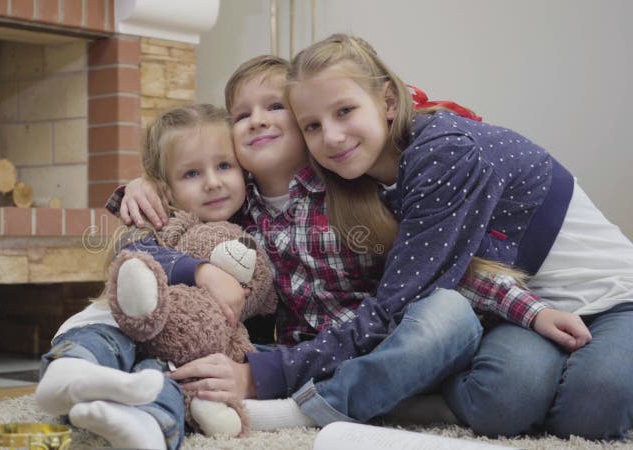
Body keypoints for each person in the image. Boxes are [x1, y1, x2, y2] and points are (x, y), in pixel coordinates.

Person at [111, 55, 589, 431]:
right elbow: (146, 245)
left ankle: (321, 410)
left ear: (307, 127)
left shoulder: (355, 192)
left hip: (392, 344)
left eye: (275, 107)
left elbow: (448, 271)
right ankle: (398, 403)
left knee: (450, 315)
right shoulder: (237, 206)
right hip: (312, 360)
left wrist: (529, 310)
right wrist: (146, 185)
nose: (257, 120)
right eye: (242, 115)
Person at [280, 33, 633, 440]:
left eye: (344, 111)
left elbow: (396, 302)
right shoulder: (374, 188)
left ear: (389, 102)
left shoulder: (443, 151)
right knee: (502, 402)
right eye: (312, 126)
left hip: (616, 296)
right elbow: (460, 275)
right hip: (522, 311)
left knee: (593, 411)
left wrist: (278, 372)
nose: (332, 136)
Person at [35, 104, 254, 450]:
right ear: (164, 189)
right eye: (192, 174)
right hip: (111, 329)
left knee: (169, 379)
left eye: (225, 166)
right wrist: (200, 270)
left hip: (169, 351)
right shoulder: (162, 219)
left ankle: (147, 427)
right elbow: (132, 251)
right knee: (108, 340)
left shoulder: (250, 224)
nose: (213, 183)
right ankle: (70, 370)